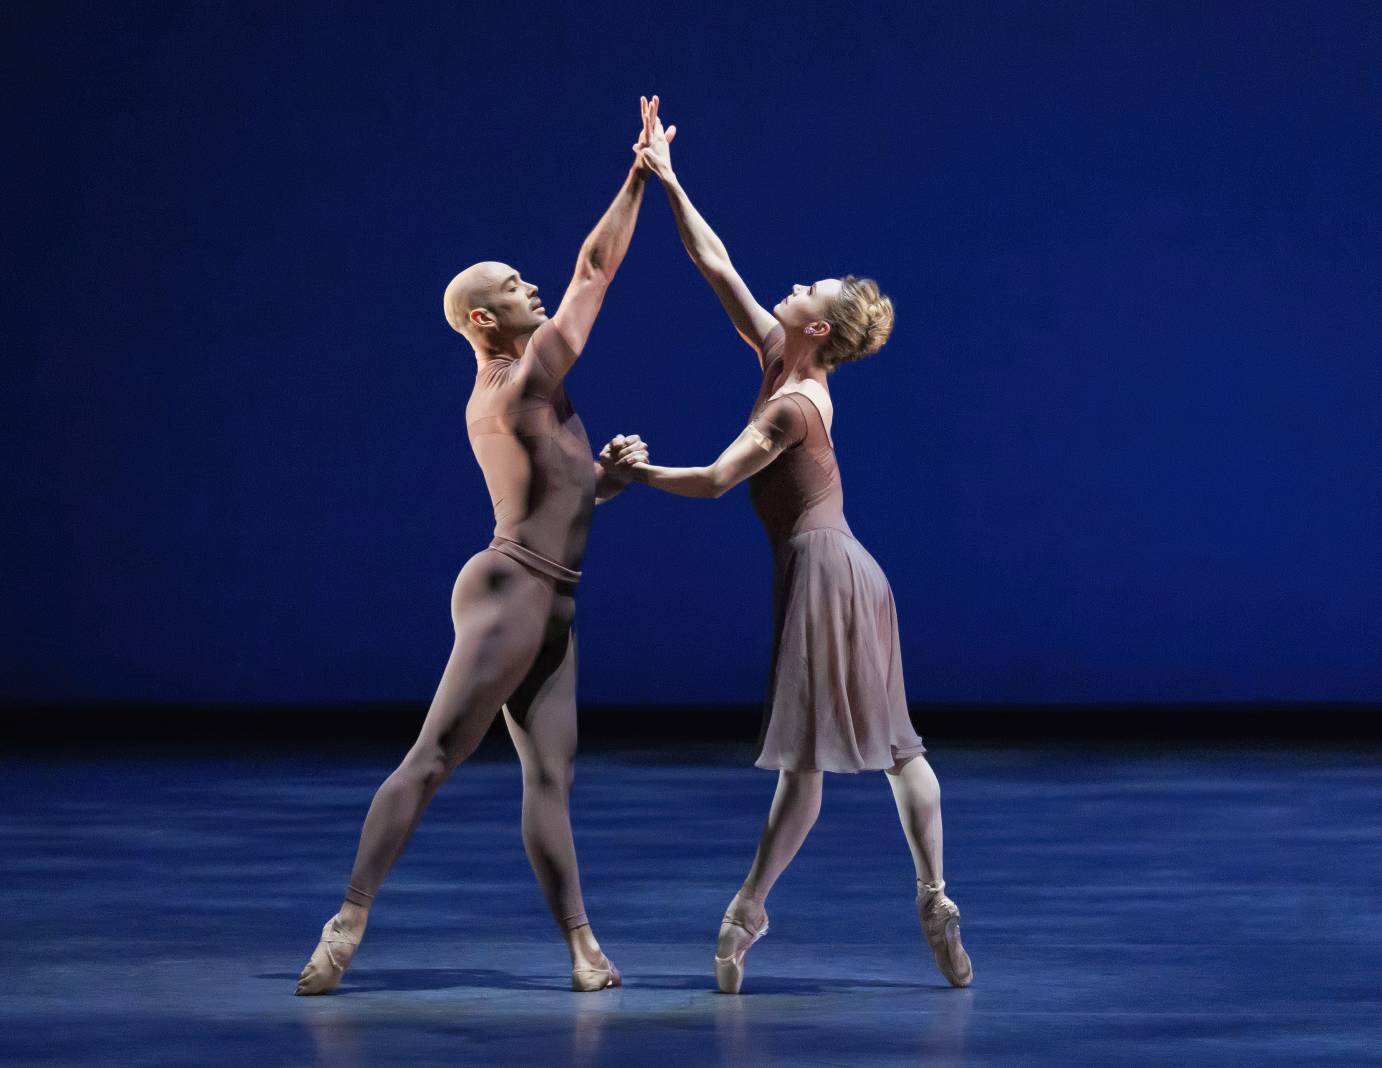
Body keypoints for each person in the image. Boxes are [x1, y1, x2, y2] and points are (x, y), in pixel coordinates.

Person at [602, 105, 973, 992]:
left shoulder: (791, 407)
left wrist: (635, 473)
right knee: (898, 751)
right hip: (847, 568)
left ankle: (745, 916)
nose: (796, 282)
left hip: (824, 570)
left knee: (809, 765)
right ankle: (931, 896)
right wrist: (666, 178)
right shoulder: (782, 355)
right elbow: (715, 262)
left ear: (818, 329)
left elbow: (714, 480)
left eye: (812, 288)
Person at [295, 98, 661, 996]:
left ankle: (582, 948)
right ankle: (347, 921)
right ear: (480, 319)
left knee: (550, 779)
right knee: (432, 759)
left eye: (524, 279)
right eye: (512, 285)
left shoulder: (533, 388)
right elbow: (594, 270)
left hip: (555, 598)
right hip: (510, 589)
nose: (530, 288)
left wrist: (608, 478)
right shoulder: (513, 383)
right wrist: (640, 174)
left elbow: (563, 494)